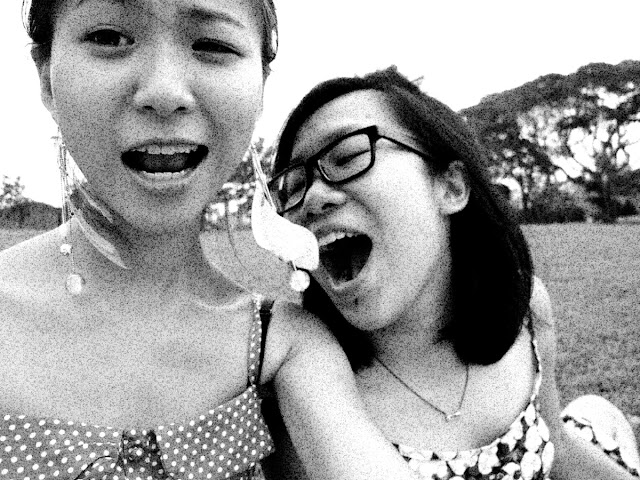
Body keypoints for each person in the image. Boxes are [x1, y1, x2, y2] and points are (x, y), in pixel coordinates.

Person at [0, 3, 420, 479]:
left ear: (261, 90)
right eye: (108, 37)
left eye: (213, 44)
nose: (164, 93)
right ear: (46, 78)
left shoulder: (281, 345)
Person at [263, 66, 640, 480]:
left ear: (451, 187)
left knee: (596, 413)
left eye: (349, 156)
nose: (311, 198)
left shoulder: (525, 309)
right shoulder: (306, 395)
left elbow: (558, 448)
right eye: (292, 186)